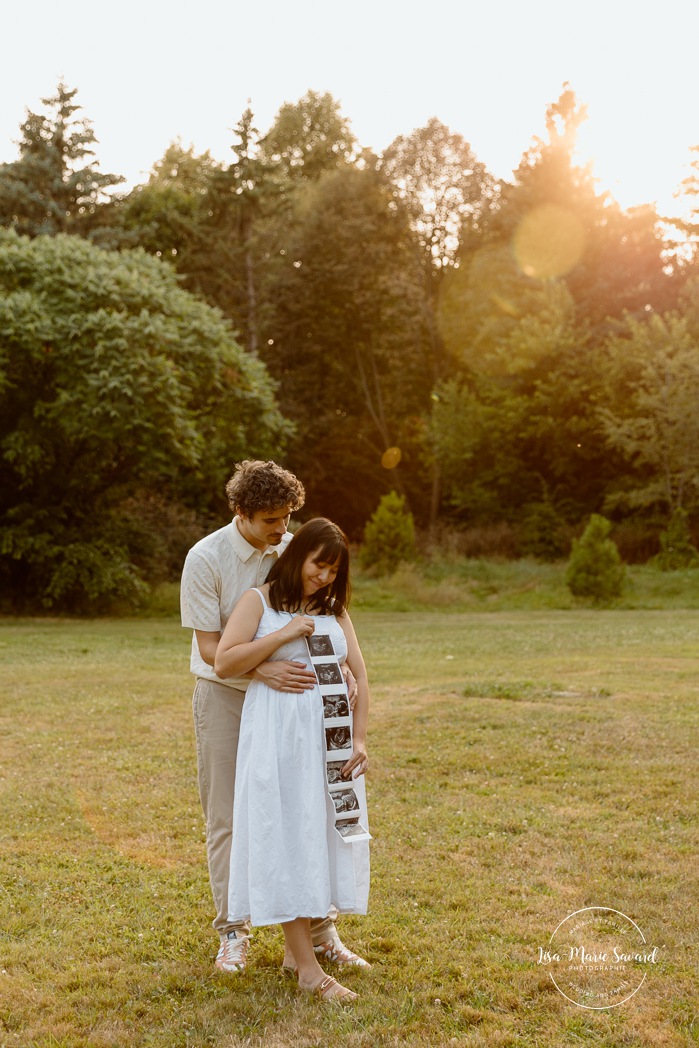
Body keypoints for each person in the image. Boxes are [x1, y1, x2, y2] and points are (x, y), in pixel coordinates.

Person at [180, 460, 369, 975]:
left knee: (306, 808)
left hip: (292, 705)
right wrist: (265, 670)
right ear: (240, 512)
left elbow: (321, 613)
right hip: (226, 693)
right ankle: (233, 931)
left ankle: (319, 930)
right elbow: (212, 648)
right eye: (270, 520)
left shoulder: (294, 549)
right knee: (228, 815)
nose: (281, 530)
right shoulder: (205, 559)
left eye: (287, 517)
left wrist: (341, 671)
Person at [214, 518, 370, 1002]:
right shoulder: (257, 602)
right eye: (318, 565)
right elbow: (224, 661)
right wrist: (283, 636)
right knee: (284, 836)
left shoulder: (334, 609)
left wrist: (359, 741)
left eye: (333, 571)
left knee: (315, 838)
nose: (323, 577)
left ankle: (295, 952)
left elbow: (361, 678)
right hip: (279, 745)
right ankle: (307, 970)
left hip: (330, 747)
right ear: (296, 554)